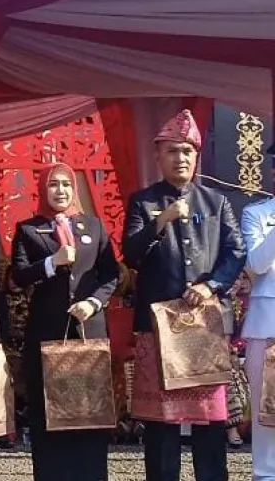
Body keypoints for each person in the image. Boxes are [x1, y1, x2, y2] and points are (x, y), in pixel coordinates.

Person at [123, 109, 245, 481]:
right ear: (158, 156)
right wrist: (162, 220)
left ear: (196, 156)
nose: (181, 158)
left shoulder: (216, 202)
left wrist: (211, 285)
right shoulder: (143, 202)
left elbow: (236, 251)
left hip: (205, 324)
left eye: (187, 151)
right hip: (159, 327)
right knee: (161, 422)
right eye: (173, 151)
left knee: (210, 419)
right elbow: (131, 255)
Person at [10, 163, 119, 481]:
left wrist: (93, 303)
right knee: (48, 414)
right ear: (43, 189)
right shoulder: (28, 230)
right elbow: (19, 275)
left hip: (88, 332)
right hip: (47, 333)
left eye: (66, 184)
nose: (60, 190)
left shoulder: (93, 226)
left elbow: (110, 274)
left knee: (90, 412)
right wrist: (50, 262)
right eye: (53, 184)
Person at [239, 193, 275, 477]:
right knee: (268, 407)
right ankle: (266, 474)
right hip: (268, 322)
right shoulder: (257, 214)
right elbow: (257, 264)